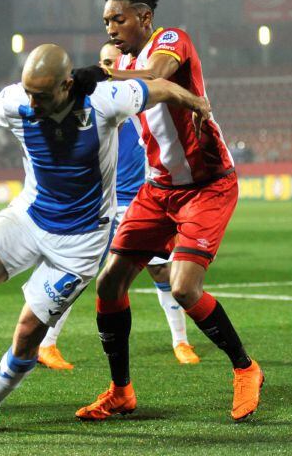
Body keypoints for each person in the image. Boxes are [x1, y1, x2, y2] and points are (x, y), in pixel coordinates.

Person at [0, 44, 210, 435]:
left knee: (29, 330)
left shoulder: (107, 98)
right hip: (27, 217)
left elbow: (161, 87)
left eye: (42, 95)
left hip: (80, 243)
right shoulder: (17, 100)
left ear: (67, 85)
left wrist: (196, 102)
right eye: (29, 92)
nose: (33, 102)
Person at [75, 0, 263, 423]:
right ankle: (121, 392)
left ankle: (246, 368)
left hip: (207, 185)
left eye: (118, 19)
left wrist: (102, 73)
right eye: (105, 21)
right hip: (158, 189)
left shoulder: (170, 39)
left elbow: (157, 76)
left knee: (183, 287)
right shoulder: (121, 62)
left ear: (144, 16)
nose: (111, 28)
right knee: (109, 283)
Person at [37, 42, 199, 370]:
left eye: (114, 62)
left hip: (141, 203)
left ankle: (180, 341)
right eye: (104, 63)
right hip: (106, 205)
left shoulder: (142, 104)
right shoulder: (93, 107)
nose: (108, 68)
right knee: (81, 273)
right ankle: (46, 343)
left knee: (161, 270)